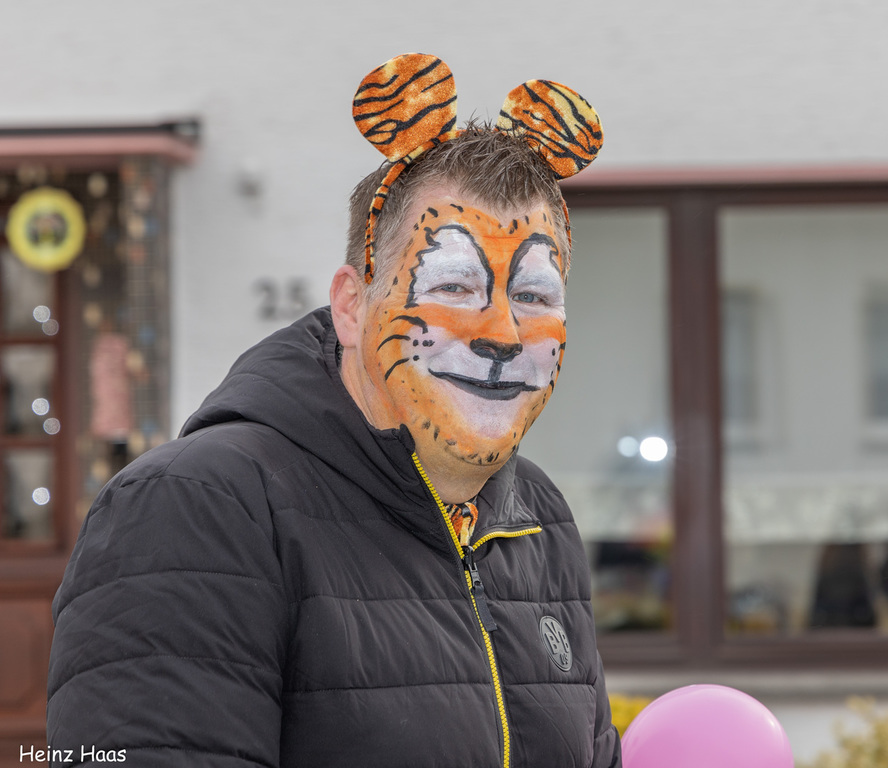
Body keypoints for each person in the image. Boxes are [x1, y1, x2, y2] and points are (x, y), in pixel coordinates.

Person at [46, 54, 619, 768]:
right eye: (453, 286)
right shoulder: (194, 507)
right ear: (351, 306)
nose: (502, 333)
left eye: (533, 296)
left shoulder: (537, 518)